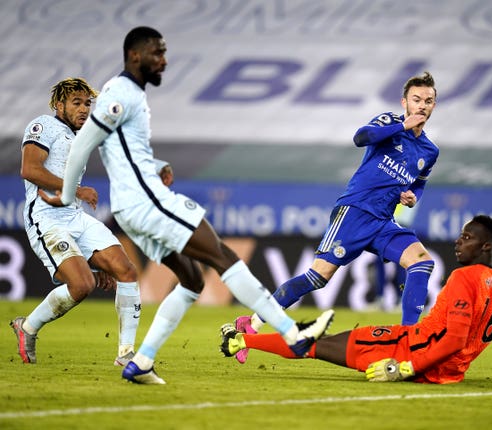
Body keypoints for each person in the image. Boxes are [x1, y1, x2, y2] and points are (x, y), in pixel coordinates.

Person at [41, 26, 334, 385]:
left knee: (193, 280)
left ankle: (142, 361)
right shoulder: (119, 93)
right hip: (146, 203)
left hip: (134, 205)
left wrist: (156, 166)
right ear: (135, 55)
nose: (163, 60)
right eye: (157, 52)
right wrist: (67, 197)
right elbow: (83, 143)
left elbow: (123, 155)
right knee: (222, 256)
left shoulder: (131, 94)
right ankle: (294, 335)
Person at [234, 71, 440, 363]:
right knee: (318, 277)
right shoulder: (390, 123)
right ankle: (251, 324)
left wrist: (412, 196)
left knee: (422, 262)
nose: (422, 105)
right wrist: (402, 125)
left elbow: (419, 183)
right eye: (416, 99)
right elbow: (361, 137)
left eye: (428, 101)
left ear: (434, 105)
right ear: (404, 102)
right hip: (355, 211)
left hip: (383, 220)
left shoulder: (430, 150)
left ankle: (410, 342)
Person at [221, 215, 492, 385]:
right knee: (319, 343)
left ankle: (243, 340)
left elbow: (455, 339)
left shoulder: (464, 277)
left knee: (315, 343)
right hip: (448, 374)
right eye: (461, 235)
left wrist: (404, 367)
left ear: (487, 247)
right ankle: (244, 340)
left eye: (468, 237)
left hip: (409, 351)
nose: (459, 242)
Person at [9, 77, 141, 366]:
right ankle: (28, 327)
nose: (84, 109)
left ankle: (126, 353)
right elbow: (29, 169)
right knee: (82, 286)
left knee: (126, 270)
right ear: (59, 105)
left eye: (87, 104)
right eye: (76, 103)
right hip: (46, 218)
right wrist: (74, 188)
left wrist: (95, 260)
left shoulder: (82, 137)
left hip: (75, 217)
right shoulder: (43, 125)